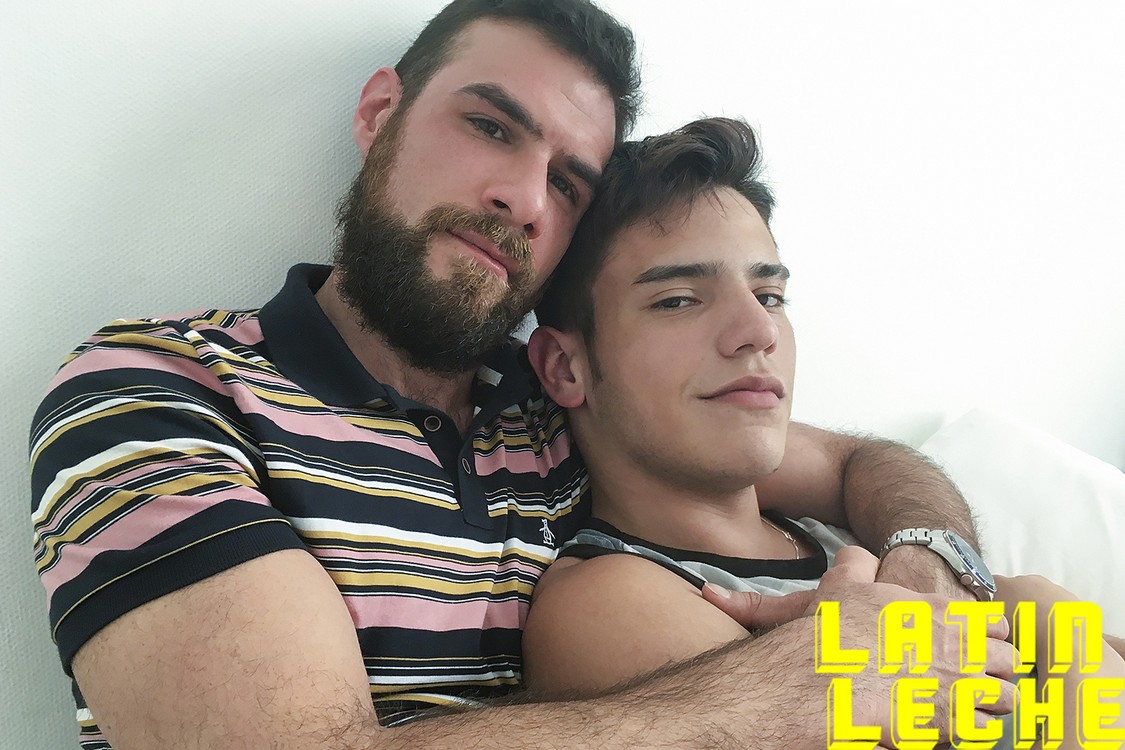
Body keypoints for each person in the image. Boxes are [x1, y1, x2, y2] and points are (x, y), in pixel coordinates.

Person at [30, 1, 997, 748]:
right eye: (491, 127)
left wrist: (928, 570)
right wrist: (793, 692)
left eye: (567, 182)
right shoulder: (163, 390)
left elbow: (861, 465)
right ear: (379, 113)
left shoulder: (564, 407)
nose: (524, 198)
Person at [523, 116, 1125, 747]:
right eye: (678, 299)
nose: (759, 331)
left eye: (769, 295)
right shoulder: (610, 604)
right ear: (566, 367)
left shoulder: (848, 536)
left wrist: (1058, 626)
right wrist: (1051, 620)